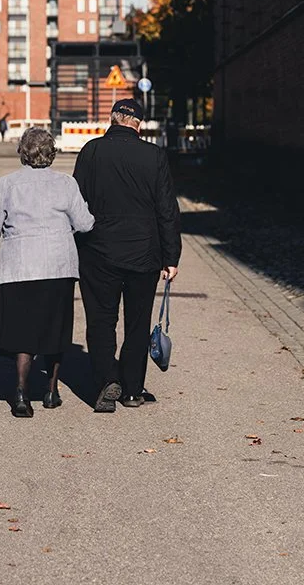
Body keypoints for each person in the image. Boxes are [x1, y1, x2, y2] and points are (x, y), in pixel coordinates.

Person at [0, 127, 94, 418]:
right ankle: (51, 392)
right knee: (55, 328)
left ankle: (21, 393)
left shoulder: (7, 184)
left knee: (22, 332)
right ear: (51, 152)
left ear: (22, 152)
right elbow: (86, 223)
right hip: (57, 267)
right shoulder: (66, 184)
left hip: (19, 267)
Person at [73, 99, 181, 412]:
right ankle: (133, 390)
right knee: (137, 321)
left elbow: (77, 202)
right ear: (139, 124)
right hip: (144, 253)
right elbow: (167, 210)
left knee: (101, 319)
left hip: (98, 250)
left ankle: (108, 379)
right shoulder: (154, 155)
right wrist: (171, 257)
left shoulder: (91, 151)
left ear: (112, 118)